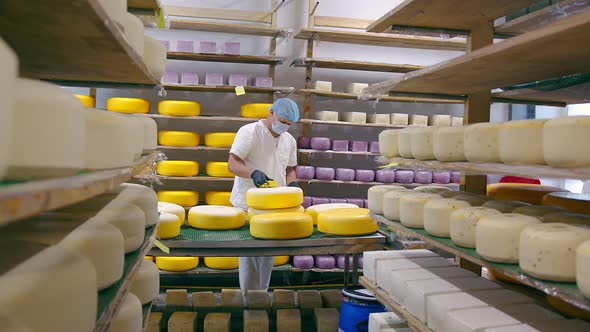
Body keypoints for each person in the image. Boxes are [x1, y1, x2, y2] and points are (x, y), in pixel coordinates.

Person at [227, 98, 300, 295]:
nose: (283, 126)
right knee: (250, 255)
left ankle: (262, 295)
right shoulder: (250, 132)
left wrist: (292, 183)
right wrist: (253, 173)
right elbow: (232, 164)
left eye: (288, 124)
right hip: (248, 204)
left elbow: (290, 169)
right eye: (281, 121)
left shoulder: (289, 140)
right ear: (271, 112)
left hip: (275, 206)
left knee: (268, 256)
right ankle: (248, 299)